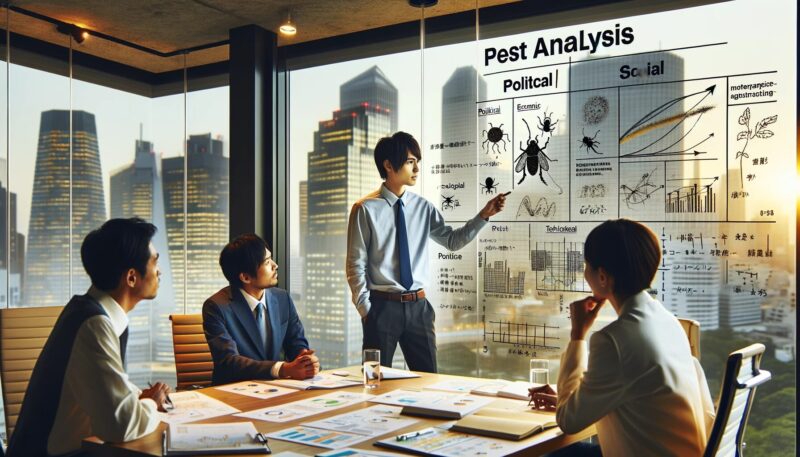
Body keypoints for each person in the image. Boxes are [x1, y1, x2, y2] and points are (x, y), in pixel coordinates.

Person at [542, 219, 715, 456]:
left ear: (602, 277)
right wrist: (577, 398)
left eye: (587, 265)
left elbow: (568, 421)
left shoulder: (612, 340)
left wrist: (578, 334)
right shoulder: (667, 321)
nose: (585, 272)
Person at [7, 218, 170, 457]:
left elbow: (107, 389)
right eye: (155, 262)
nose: (159, 271)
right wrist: (152, 403)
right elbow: (119, 426)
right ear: (132, 277)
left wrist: (137, 398)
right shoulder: (94, 324)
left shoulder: (87, 310)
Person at [346, 131, 507, 372]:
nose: (416, 168)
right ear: (388, 165)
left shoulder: (423, 207)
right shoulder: (365, 209)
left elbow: (452, 241)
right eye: (410, 162)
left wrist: (484, 215)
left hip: (418, 308)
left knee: (428, 379)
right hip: (382, 308)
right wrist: (367, 312)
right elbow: (355, 265)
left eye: (417, 162)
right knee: (375, 381)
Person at [203, 233, 319, 384]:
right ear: (245, 277)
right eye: (266, 262)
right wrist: (282, 369)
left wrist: (304, 359)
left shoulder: (282, 298)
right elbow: (229, 361)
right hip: (235, 393)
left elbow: (296, 343)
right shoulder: (216, 307)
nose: (275, 265)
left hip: (277, 390)